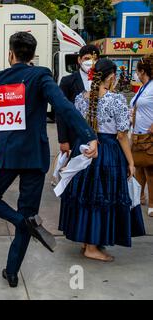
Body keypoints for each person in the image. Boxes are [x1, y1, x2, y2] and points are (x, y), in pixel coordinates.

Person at [0, 32, 98, 288]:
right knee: (27, 213)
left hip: (8, 153)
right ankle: (14, 265)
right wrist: (89, 135)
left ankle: (19, 242)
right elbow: (63, 107)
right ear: (32, 55)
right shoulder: (40, 75)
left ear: (11, 54)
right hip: (34, 155)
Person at [59, 58, 146, 262]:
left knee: (86, 197)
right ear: (112, 76)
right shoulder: (115, 99)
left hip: (83, 152)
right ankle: (91, 246)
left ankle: (86, 242)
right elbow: (122, 135)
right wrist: (131, 162)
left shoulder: (81, 98)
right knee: (100, 198)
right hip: (106, 153)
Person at [56, 45, 100, 155]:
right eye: (86, 59)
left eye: (93, 59)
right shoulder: (68, 81)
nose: (90, 62)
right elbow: (61, 111)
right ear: (79, 60)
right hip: (75, 135)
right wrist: (63, 140)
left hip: (98, 136)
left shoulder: (102, 80)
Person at [130, 54, 153, 216]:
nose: (136, 74)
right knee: (138, 167)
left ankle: (152, 204)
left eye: (137, 71)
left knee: (150, 170)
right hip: (137, 134)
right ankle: (139, 198)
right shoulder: (144, 88)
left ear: (142, 71)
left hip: (149, 135)